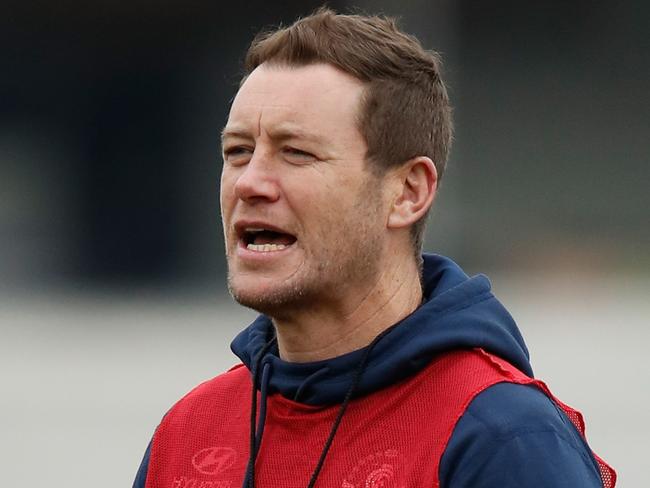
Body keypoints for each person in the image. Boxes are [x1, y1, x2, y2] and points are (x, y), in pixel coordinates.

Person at [134, 8, 616, 488]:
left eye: (296, 153)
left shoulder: (503, 439)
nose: (251, 182)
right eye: (238, 151)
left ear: (408, 192)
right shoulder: (187, 434)